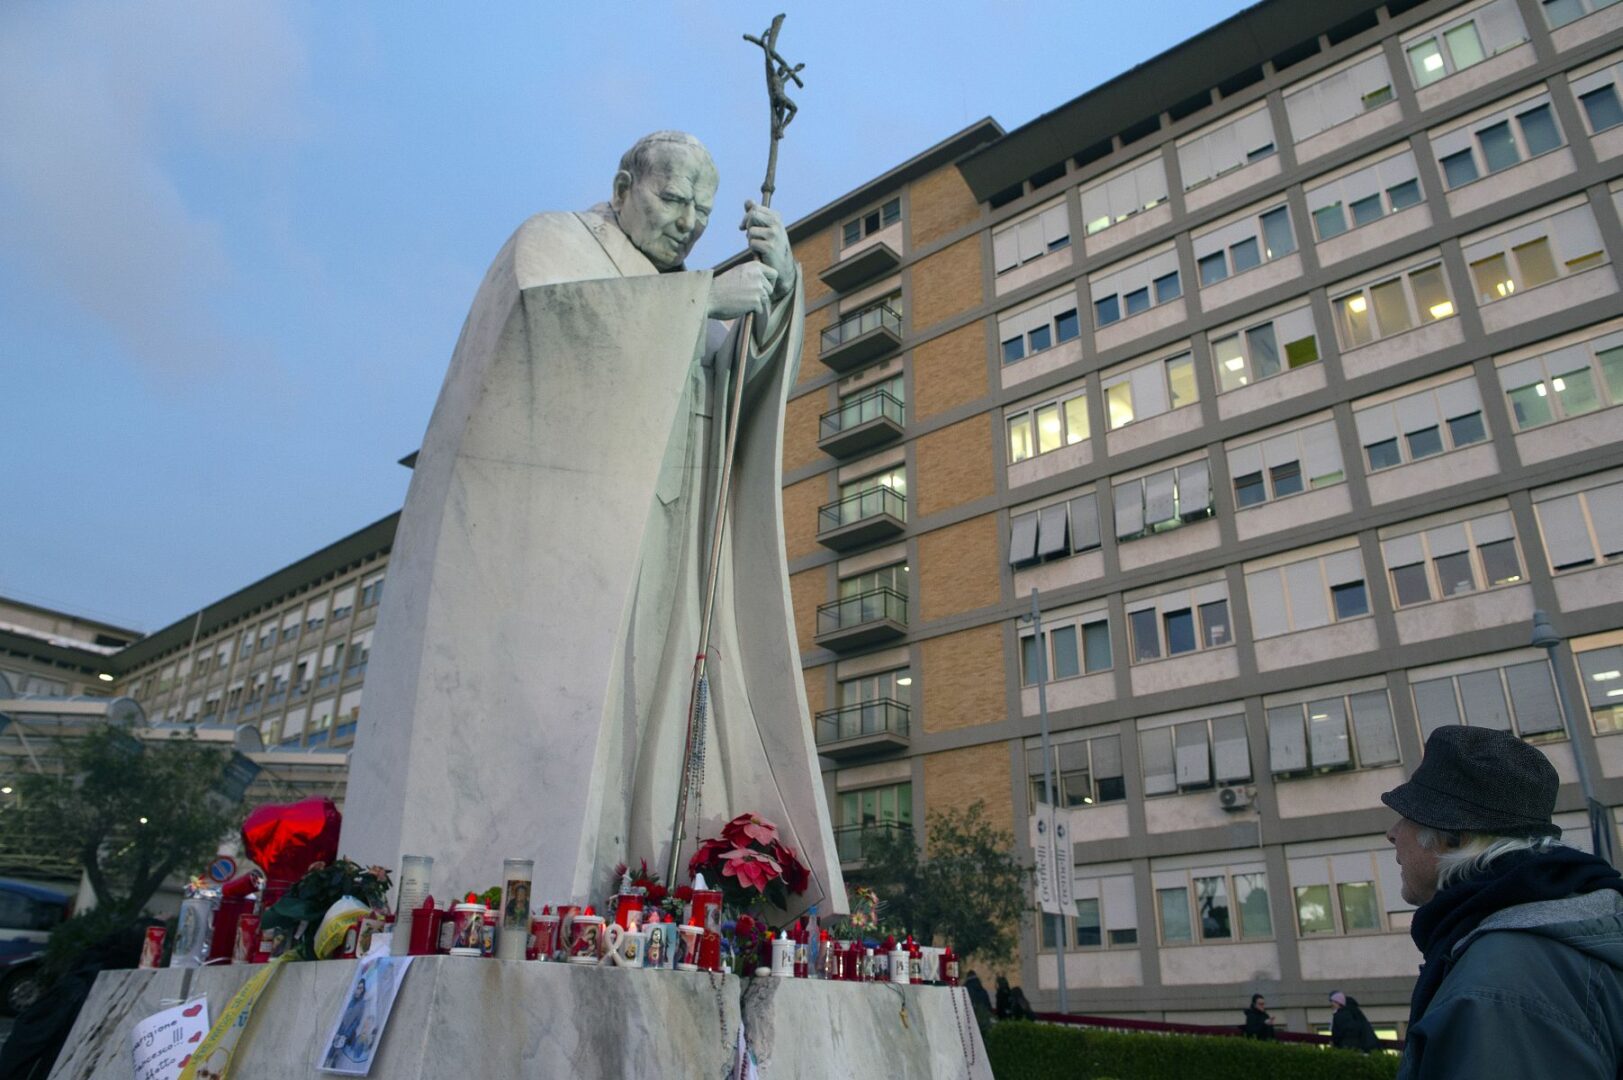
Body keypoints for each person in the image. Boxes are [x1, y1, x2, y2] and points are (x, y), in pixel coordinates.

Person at [344, 130, 844, 918]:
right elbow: (540, 331)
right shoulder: (554, 243)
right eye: (672, 199)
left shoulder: (681, 287)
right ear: (622, 185)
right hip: (565, 550)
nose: (687, 223)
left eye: (702, 211)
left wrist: (777, 297)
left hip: (664, 543)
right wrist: (697, 305)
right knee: (579, 719)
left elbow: (729, 389)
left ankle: (637, 887)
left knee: (648, 719)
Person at [1383, 725, 1623, 1078]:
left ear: (1453, 839)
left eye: (1407, 817)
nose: (1392, 833)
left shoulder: (1498, 985)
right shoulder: (1573, 914)